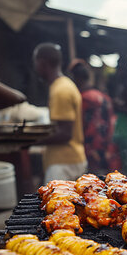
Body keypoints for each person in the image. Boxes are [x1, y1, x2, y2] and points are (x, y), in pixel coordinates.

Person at [33, 43, 86, 183]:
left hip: (63, 163)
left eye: (36, 63)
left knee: (57, 203)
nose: (35, 68)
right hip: (70, 159)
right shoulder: (64, 84)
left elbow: (64, 133)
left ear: (43, 63)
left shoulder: (60, 90)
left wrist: (31, 140)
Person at [69, 60, 120, 174]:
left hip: (91, 150)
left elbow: (79, 126)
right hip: (108, 148)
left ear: (77, 79)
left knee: (91, 185)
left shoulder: (83, 99)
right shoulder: (105, 97)